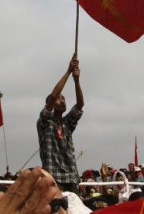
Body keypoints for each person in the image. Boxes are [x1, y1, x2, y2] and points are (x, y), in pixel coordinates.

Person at [37, 57, 84, 192]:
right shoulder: (44, 122)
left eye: (63, 99)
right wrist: (68, 72)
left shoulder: (67, 123)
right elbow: (53, 95)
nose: (62, 101)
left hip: (71, 176)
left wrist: (77, 81)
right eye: (59, 99)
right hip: (53, 177)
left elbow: (80, 105)